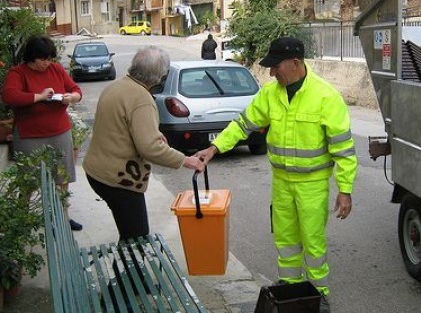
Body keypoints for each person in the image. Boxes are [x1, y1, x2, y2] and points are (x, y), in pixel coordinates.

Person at [195, 37, 358, 313]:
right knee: (285, 241)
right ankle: (290, 288)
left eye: (275, 67)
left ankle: (319, 295)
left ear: (295, 63)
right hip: (281, 182)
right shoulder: (271, 94)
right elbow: (243, 124)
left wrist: (345, 189)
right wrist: (214, 148)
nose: (271, 73)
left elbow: (343, 149)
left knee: (313, 243)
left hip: (312, 184)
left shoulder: (326, 96)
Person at [83, 46, 205, 241]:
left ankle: (124, 269)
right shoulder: (141, 99)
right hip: (118, 179)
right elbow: (150, 148)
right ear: (158, 77)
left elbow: (121, 128)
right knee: (136, 238)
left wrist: (153, 134)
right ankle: (127, 271)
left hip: (98, 171)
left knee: (130, 233)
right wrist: (186, 160)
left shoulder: (117, 86)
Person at [2, 35, 84, 231]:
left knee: (62, 179)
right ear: (31, 57)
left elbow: (76, 90)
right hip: (30, 135)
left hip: (59, 132)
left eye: (50, 59)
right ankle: (23, 220)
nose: (47, 63)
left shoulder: (55, 69)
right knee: (27, 181)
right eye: (43, 59)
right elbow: (9, 95)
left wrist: (70, 97)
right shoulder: (18, 73)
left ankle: (63, 218)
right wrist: (38, 97)